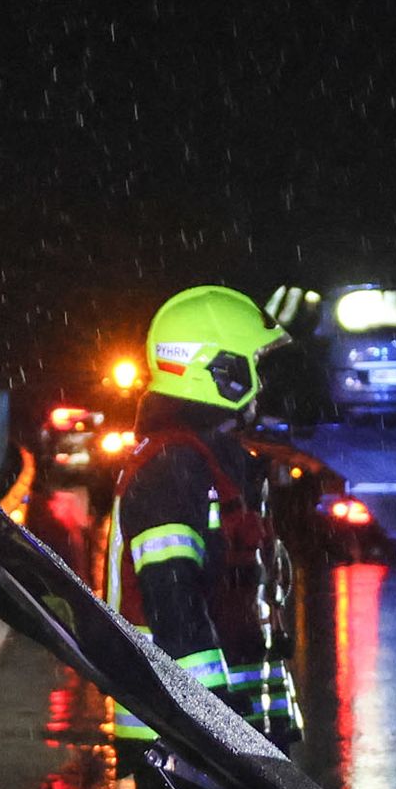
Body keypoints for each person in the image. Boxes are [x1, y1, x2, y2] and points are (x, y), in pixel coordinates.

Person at [106, 284, 287, 751]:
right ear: (221, 371)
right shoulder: (172, 466)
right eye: (253, 366)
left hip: (216, 737)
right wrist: (220, 733)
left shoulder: (203, 458)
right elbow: (175, 606)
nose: (262, 386)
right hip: (188, 744)